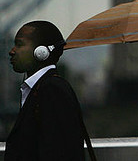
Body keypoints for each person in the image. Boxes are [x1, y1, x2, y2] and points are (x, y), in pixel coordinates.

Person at [5, 20, 92, 161]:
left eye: (19, 44)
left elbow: (59, 152)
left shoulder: (52, 90)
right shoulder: (42, 88)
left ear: (41, 52)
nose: (12, 51)